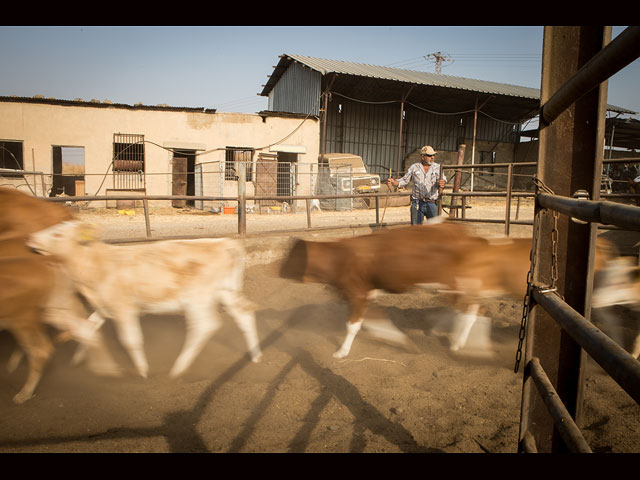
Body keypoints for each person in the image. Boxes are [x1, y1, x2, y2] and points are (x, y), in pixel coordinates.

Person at [387, 145, 446, 224]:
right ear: (422, 157)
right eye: (429, 155)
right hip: (417, 203)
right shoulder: (414, 167)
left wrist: (442, 183)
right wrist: (394, 182)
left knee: (434, 229)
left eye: (433, 155)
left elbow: (443, 180)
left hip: (432, 202)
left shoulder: (438, 167)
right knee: (416, 229)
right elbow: (405, 180)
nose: (432, 157)